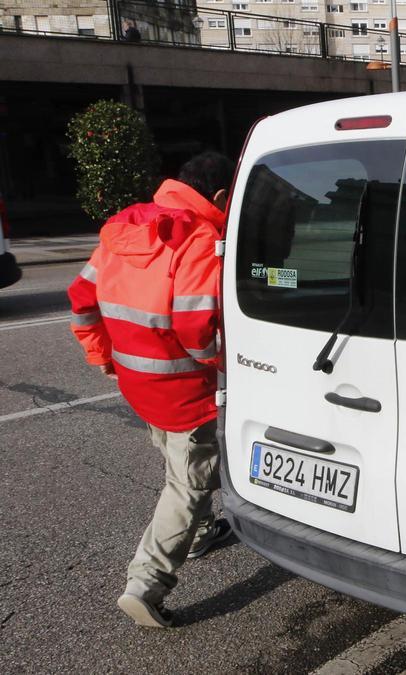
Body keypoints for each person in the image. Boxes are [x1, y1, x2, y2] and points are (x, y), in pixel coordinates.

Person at [68, 151, 235, 628]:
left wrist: (100, 355)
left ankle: (201, 532)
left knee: (174, 454)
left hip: (135, 379)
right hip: (183, 387)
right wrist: (233, 365)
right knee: (190, 480)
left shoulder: (127, 225)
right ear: (221, 196)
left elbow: (81, 299)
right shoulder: (198, 236)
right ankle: (146, 583)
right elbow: (196, 329)